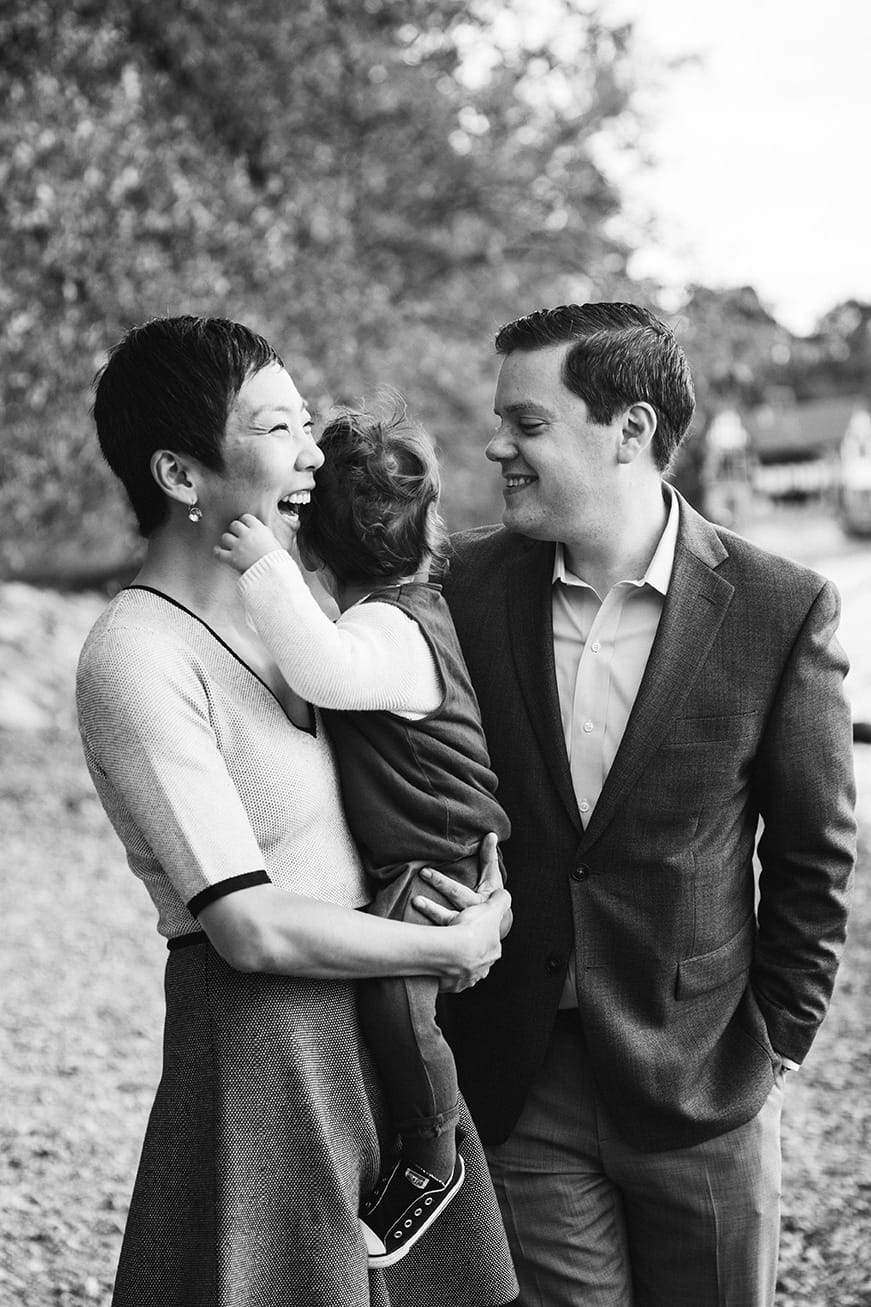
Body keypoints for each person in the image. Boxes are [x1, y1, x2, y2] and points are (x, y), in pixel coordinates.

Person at [75, 315, 517, 1307]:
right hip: (266, 1044)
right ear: (181, 474)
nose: (314, 452)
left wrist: (479, 894)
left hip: (385, 1018)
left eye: (307, 422)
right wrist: (444, 946)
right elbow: (246, 922)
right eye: (278, 427)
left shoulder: (302, 615)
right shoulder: (137, 654)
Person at [427, 302, 857, 1307]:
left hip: (703, 1075)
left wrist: (777, 1043)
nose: (496, 445)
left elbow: (813, 854)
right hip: (519, 1072)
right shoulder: (458, 587)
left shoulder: (780, 606)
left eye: (527, 423)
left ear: (629, 430)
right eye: (500, 421)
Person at [214, 395, 511, 1267]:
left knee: (392, 992)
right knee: (397, 998)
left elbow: (321, 668)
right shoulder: (399, 611)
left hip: (438, 855)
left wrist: (265, 565)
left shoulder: (388, 626)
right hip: (426, 850)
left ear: (313, 547)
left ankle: (431, 1154)